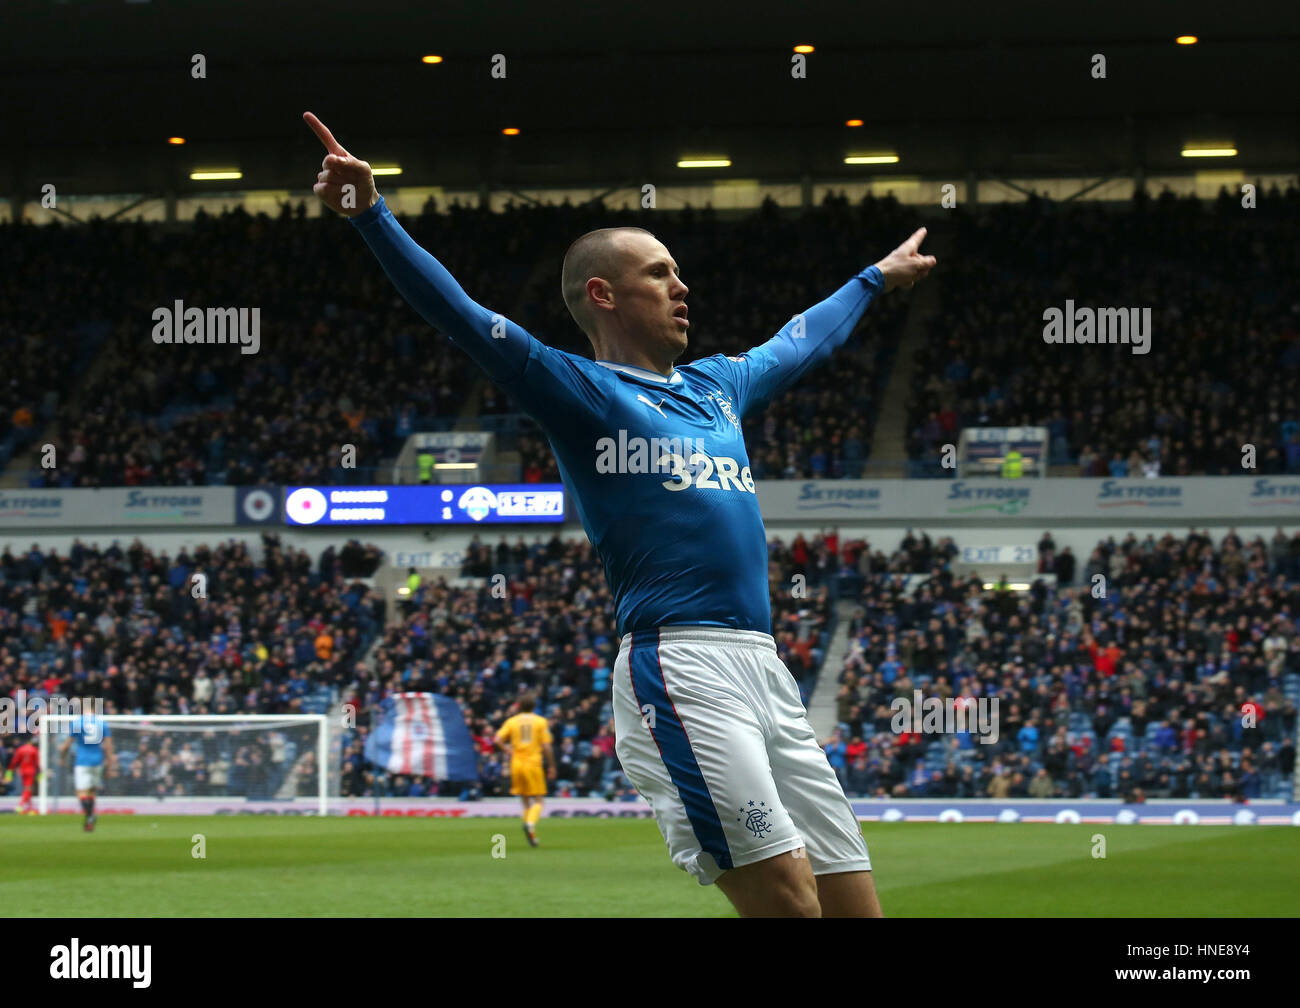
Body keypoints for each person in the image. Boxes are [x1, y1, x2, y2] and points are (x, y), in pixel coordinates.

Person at [305, 111, 935, 917]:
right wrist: (374, 215)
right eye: (660, 274)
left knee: (855, 907)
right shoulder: (580, 391)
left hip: (767, 669)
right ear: (603, 293)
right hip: (682, 667)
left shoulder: (717, 387)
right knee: (790, 902)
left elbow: (798, 341)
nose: (683, 287)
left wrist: (874, 279)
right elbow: (460, 315)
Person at [494, 692, 555, 847]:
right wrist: (552, 765)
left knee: (525, 801)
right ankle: (530, 824)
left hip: (517, 764)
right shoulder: (540, 722)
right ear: (534, 706)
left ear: (519, 706)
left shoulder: (512, 721)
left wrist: (507, 750)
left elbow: (497, 740)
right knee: (539, 800)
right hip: (533, 763)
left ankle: (532, 835)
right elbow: (547, 746)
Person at [58, 709, 114, 832]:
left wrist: (62, 756)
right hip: (97, 760)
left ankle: (89, 816)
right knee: (91, 791)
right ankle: (90, 817)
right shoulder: (102, 723)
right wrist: (110, 765)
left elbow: (67, 745)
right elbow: (108, 747)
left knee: (81, 792)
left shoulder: (77, 723)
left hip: (82, 761)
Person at [5, 735, 40, 814]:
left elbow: (14, 762)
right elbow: (37, 763)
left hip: (23, 771)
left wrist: (9, 771)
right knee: (28, 789)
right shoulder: (34, 750)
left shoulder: (20, 749)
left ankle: (30, 809)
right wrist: (39, 773)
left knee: (27, 789)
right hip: (31, 771)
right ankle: (20, 806)